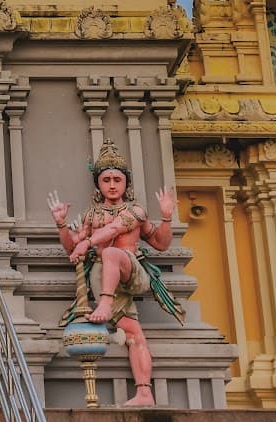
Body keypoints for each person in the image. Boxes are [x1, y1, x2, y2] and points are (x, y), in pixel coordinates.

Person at [48, 138, 181, 408]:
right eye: (106, 179)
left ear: (125, 183)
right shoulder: (91, 215)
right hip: (102, 278)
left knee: (110, 253)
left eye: (116, 179)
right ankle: (145, 392)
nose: (111, 184)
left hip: (130, 271)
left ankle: (106, 304)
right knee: (133, 334)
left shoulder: (135, 210)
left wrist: (167, 218)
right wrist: (62, 225)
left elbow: (159, 243)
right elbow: (72, 247)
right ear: (98, 183)